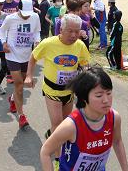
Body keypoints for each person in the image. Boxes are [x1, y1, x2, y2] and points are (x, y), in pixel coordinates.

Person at [27, 14, 90, 165]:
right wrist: (29, 75)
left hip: (69, 91)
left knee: (65, 124)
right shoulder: (48, 43)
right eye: (70, 31)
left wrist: (87, 75)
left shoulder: (80, 45)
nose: (74, 35)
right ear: (61, 29)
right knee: (57, 122)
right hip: (52, 90)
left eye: (77, 31)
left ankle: (51, 135)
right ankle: (57, 159)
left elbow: (85, 63)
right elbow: (33, 57)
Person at [39, 67, 128, 171]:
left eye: (109, 93)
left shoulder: (114, 118)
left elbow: (117, 141)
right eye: (99, 95)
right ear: (84, 98)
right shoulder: (71, 126)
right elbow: (45, 151)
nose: (106, 100)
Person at [0, 0, 41, 128]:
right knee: (19, 85)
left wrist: (37, 41)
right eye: (24, 13)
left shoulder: (35, 17)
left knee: (20, 85)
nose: (26, 16)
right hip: (12, 55)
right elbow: (2, 30)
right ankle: (22, 116)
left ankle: (12, 99)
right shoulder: (10, 18)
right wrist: (4, 42)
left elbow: (36, 32)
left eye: (28, 13)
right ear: (18, 9)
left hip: (26, 55)